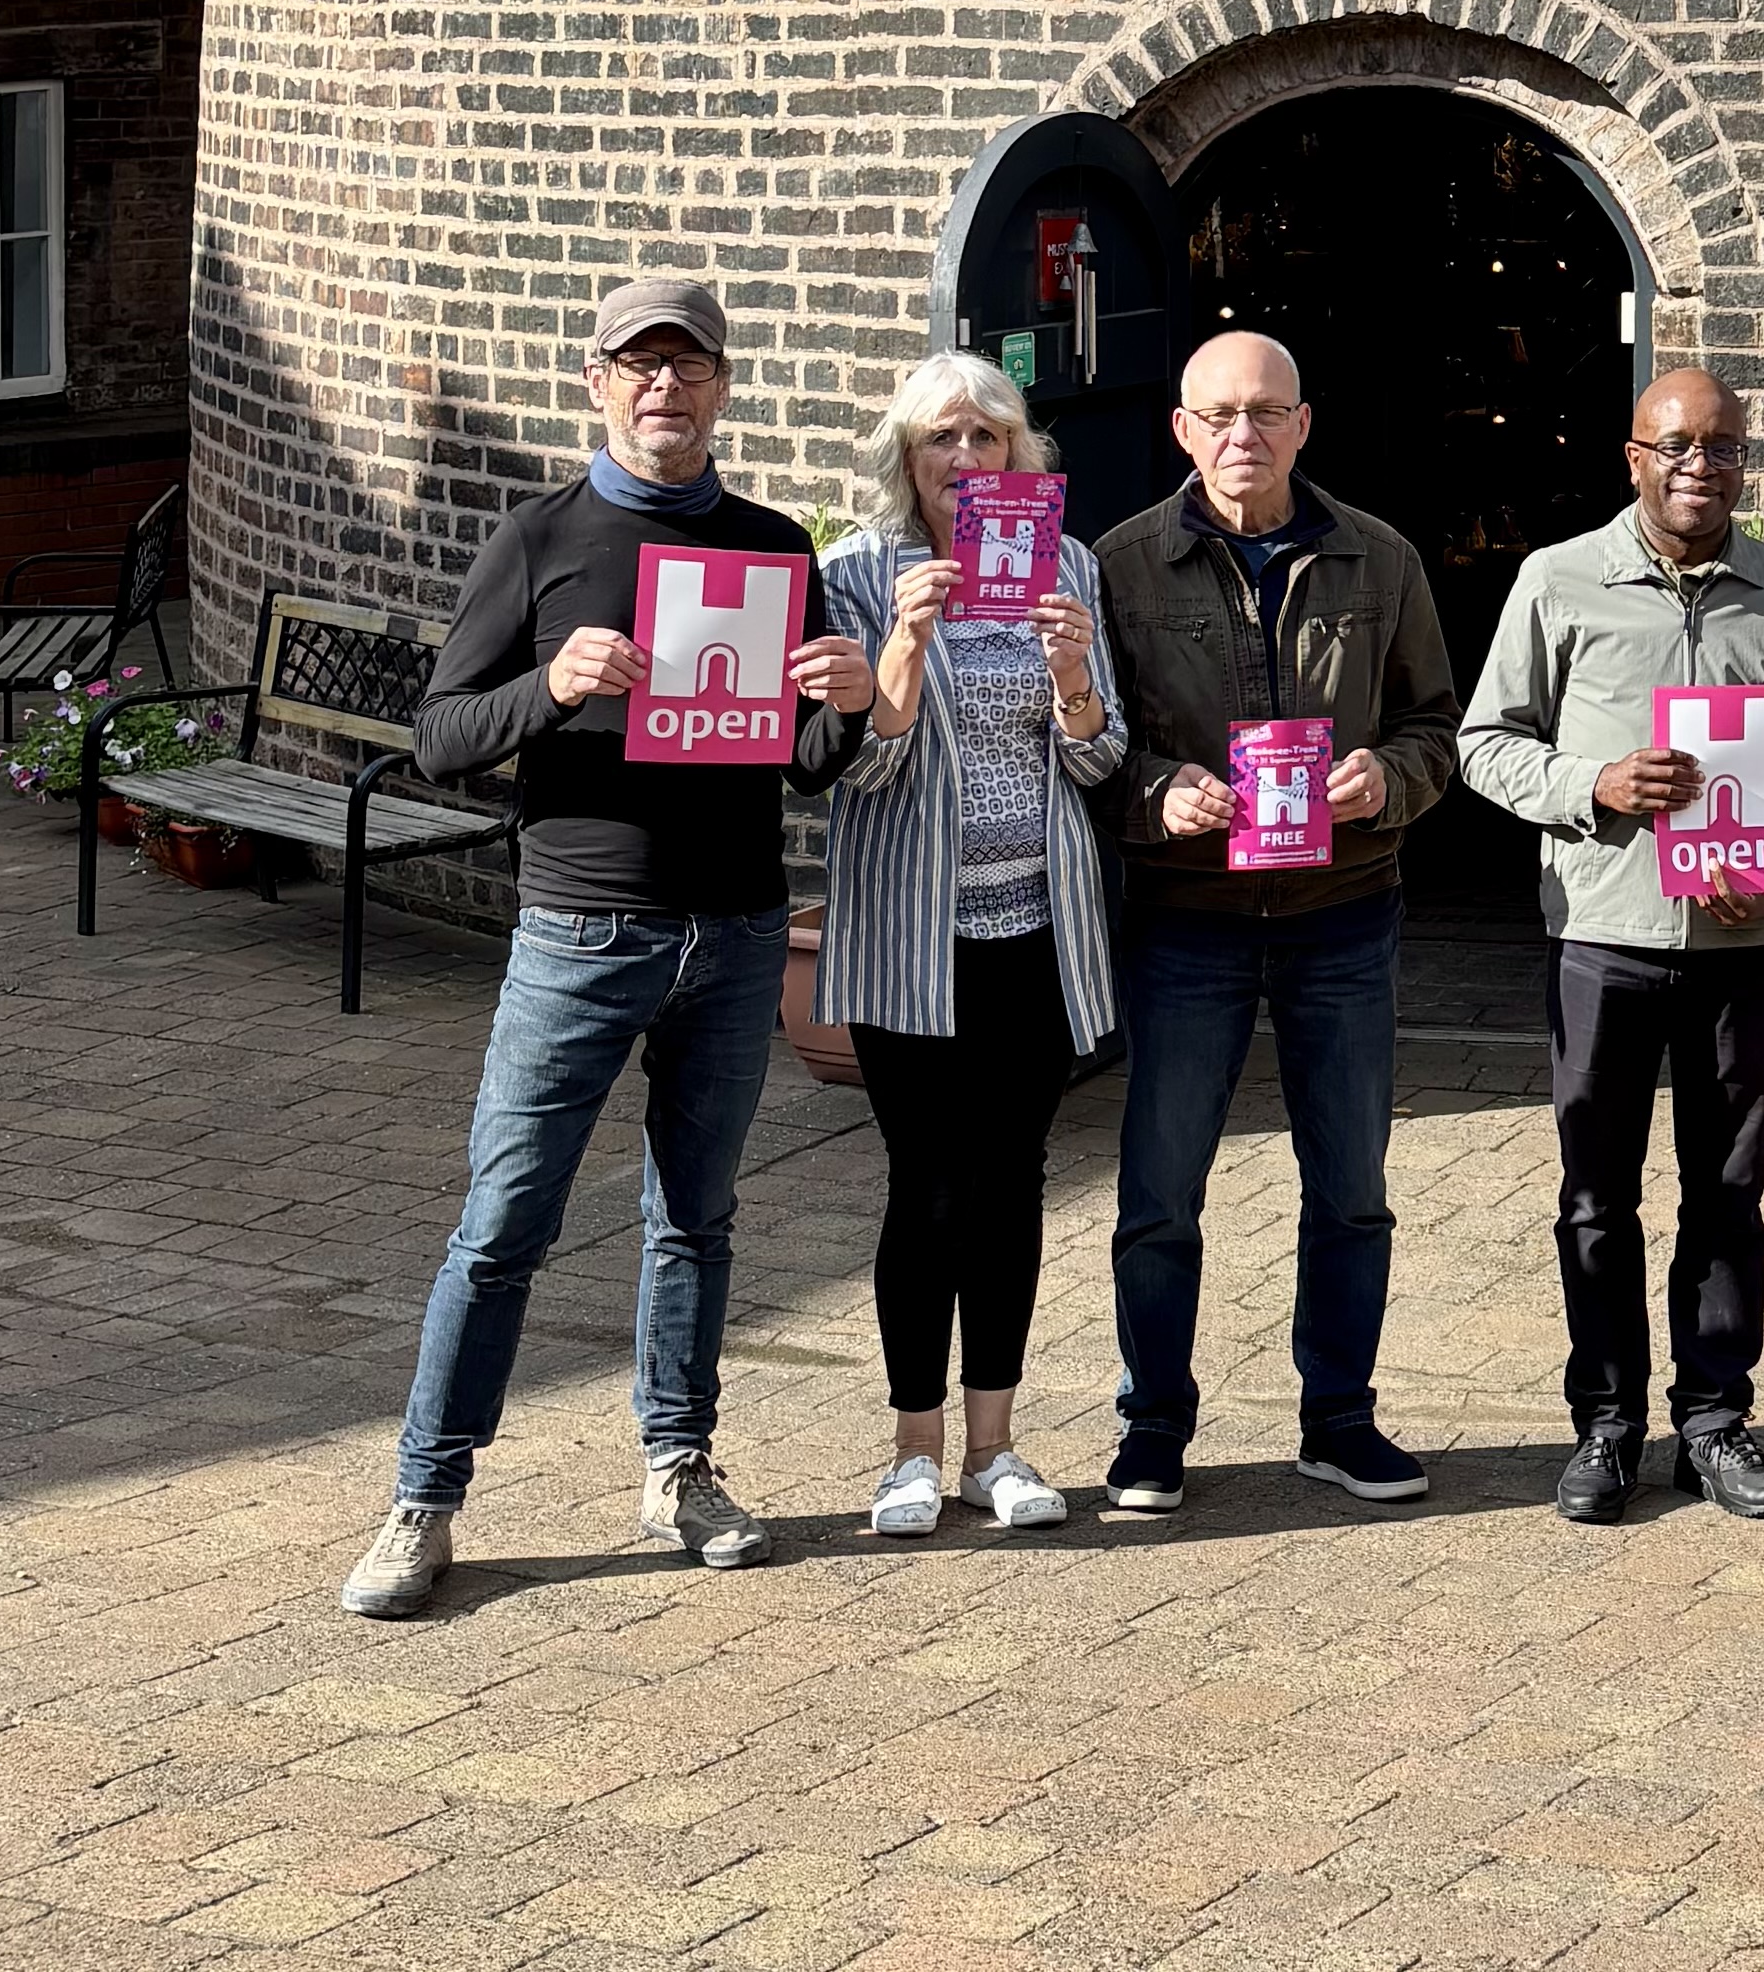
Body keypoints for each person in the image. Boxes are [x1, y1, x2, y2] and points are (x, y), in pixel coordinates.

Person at [340, 278, 875, 1619]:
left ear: (720, 391)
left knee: (695, 1221)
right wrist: (552, 686)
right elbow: (441, 736)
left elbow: (801, 760)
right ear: (596, 384)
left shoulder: (767, 548)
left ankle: (679, 1467)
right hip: (581, 931)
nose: (663, 390)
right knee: (502, 1227)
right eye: (639, 367)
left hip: (739, 928)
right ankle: (424, 1498)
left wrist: (852, 702)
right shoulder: (536, 540)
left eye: (687, 369)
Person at [1460, 368, 1764, 1525]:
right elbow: (1485, 742)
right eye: (1675, 444)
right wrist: (1595, 782)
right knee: (1596, 1192)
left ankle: (1715, 1420)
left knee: (1727, 1190)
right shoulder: (1557, 579)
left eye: (1722, 446)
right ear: (1632, 455)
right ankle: (1608, 1421)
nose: (1699, 465)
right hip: (1603, 932)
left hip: (1738, 937)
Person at [1090, 329, 1462, 1516]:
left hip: (1341, 915)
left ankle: (1338, 1419)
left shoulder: (1380, 558)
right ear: (1182, 430)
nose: (1242, 435)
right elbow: (1086, 741)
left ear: (1305, 423)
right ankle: (1152, 1426)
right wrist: (1157, 788)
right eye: (1219, 414)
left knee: (1349, 1183)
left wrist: (1384, 780)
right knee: (1160, 1190)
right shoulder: (1117, 565)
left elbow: (1437, 728)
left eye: (1266, 412)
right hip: (1184, 919)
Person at [813, 352, 1133, 1541]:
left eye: (987, 438)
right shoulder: (854, 574)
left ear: (1018, 456)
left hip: (1034, 930)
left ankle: (995, 1444)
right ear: (906, 455)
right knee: (929, 1185)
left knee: (1012, 1184)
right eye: (942, 437)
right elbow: (858, 765)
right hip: (915, 934)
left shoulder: (1069, 567)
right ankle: (912, 1449)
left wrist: (1070, 675)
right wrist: (902, 645)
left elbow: (1099, 763)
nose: (964, 459)